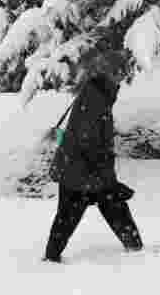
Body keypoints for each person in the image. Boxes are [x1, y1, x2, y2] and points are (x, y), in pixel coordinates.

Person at [43, 69, 143, 263]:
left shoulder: (96, 95)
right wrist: (105, 174)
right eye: (119, 74)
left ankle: (136, 249)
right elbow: (87, 141)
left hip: (85, 172)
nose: (122, 78)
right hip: (80, 174)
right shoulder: (95, 100)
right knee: (71, 216)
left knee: (109, 207)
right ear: (110, 77)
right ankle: (51, 259)